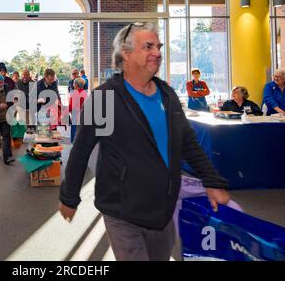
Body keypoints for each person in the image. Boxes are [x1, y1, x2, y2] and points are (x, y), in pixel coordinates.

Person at [59, 22, 230, 261]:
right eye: (147, 46)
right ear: (126, 54)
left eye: (158, 46)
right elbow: (82, 149)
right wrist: (69, 196)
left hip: (162, 211)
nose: (157, 52)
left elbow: (188, 143)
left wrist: (211, 181)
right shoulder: (105, 98)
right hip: (122, 212)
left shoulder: (167, 95)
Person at [69, 77, 87, 143]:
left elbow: (70, 107)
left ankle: (74, 143)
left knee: (74, 131)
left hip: (75, 114)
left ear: (76, 85)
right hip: (83, 115)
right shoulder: (85, 93)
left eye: (74, 83)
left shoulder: (74, 94)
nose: (73, 85)